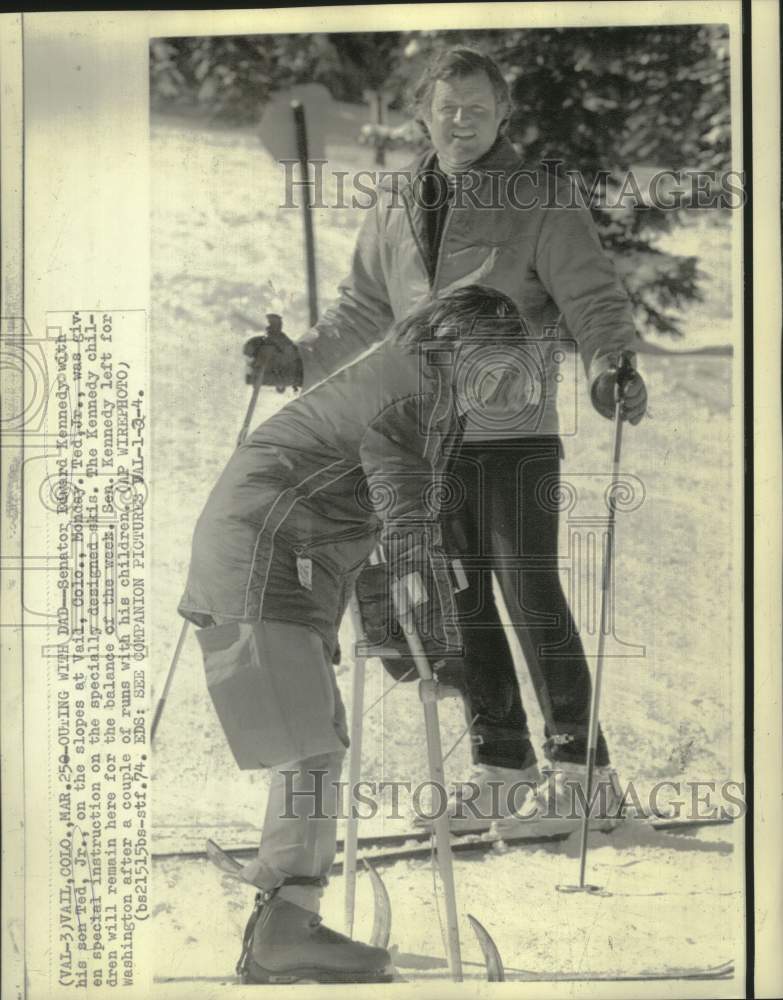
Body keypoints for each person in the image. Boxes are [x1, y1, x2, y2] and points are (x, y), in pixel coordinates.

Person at [246, 46, 648, 831]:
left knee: (528, 592)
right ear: (423, 113)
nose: (459, 121)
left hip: (511, 427)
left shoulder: (539, 194)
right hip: (422, 430)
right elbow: (364, 305)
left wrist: (609, 367)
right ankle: (502, 764)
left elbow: (591, 296)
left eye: (475, 107)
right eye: (445, 107)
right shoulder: (396, 195)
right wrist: (298, 357)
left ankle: (582, 769)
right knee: (459, 599)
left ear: (503, 112)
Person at [180, 286, 532, 983]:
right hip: (262, 554)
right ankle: (284, 932)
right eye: (489, 361)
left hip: (285, 559)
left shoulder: (416, 376)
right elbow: (399, 497)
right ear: (455, 343)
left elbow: (374, 499)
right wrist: (413, 575)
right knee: (309, 752)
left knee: (314, 749)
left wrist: (398, 594)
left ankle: (285, 923)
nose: (496, 379)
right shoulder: (412, 391)